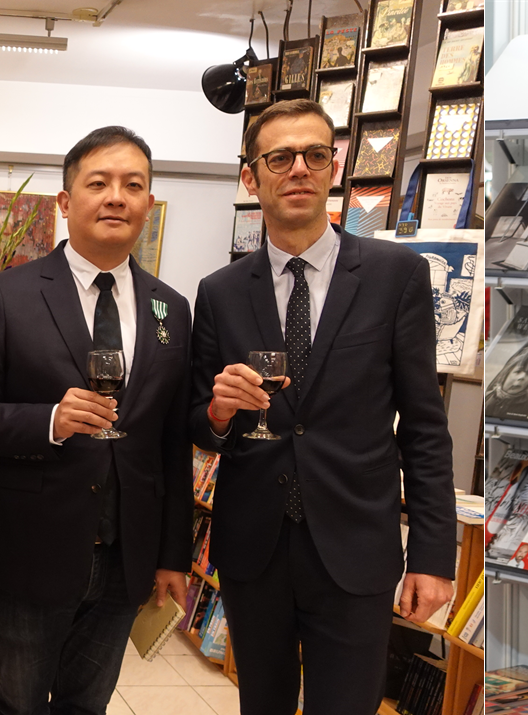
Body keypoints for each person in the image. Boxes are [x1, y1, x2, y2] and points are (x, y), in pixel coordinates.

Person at [189, 99, 456, 715]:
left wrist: (433, 557)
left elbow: (424, 427)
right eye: (280, 157)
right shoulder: (221, 293)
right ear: (253, 178)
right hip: (255, 548)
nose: (299, 169)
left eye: (314, 155)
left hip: (356, 547)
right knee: (263, 703)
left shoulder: (397, 276)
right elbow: (197, 423)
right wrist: (219, 413)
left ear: (335, 166)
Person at [0, 126, 193, 715]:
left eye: (133, 185)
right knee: (22, 703)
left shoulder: (171, 308)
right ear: (66, 203)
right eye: (99, 183)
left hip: (126, 555)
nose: (117, 196)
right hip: (33, 547)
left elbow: (170, 442)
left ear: (147, 203)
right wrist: (51, 421)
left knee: (87, 707)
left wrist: (172, 555)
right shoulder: (7, 296)